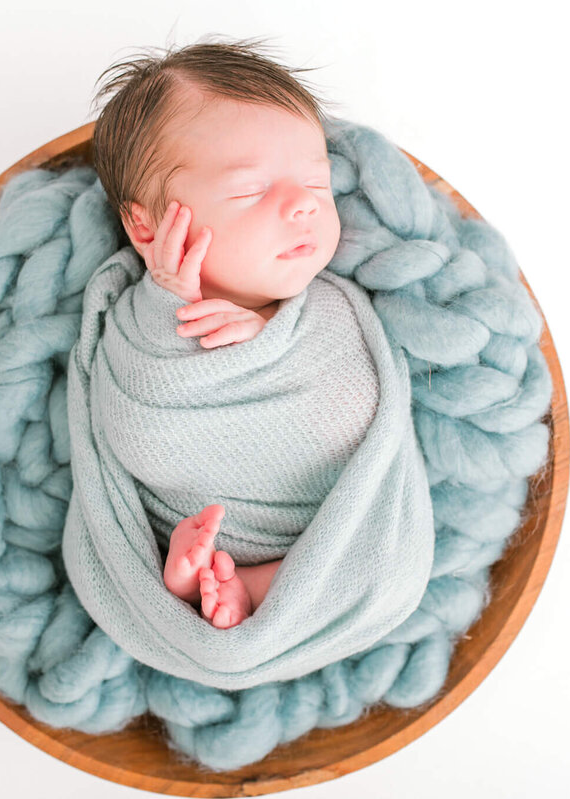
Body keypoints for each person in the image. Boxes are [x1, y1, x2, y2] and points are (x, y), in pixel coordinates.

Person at [89, 37, 376, 629]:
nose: (303, 206)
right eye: (250, 191)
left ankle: (248, 584)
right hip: (202, 514)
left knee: (372, 557)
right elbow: (136, 416)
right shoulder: (139, 314)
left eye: (317, 185)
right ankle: (189, 578)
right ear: (146, 228)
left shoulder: (329, 309)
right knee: (155, 450)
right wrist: (166, 293)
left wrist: (272, 334)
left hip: (328, 523)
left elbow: (364, 398)